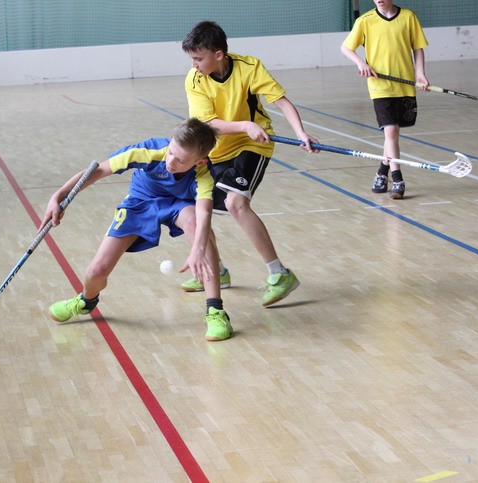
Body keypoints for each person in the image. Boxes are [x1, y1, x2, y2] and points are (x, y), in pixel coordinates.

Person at [41, 118, 233, 341]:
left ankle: (216, 310)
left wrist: (197, 249)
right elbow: (99, 170)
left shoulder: (204, 173)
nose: (171, 161)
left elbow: (204, 212)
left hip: (179, 205)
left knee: (195, 225)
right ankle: (86, 301)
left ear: (199, 162)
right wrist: (58, 196)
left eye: (180, 160)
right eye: (171, 152)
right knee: (96, 272)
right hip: (141, 201)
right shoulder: (149, 151)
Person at [180, 20, 319, 308]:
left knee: (236, 203)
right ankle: (216, 271)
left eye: (198, 58)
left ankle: (280, 274)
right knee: (196, 210)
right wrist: (244, 125)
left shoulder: (249, 66)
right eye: (191, 58)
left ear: (219, 54)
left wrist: (300, 133)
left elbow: (281, 101)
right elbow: (208, 123)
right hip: (217, 150)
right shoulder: (194, 79)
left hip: (253, 144)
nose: (193, 64)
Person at [340, 0, 429, 199]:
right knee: (391, 131)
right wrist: (360, 63)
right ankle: (398, 179)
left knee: (392, 135)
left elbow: (418, 48)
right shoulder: (365, 21)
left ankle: (382, 172)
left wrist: (420, 73)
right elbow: (346, 48)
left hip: (405, 84)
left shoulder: (408, 17)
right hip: (379, 86)